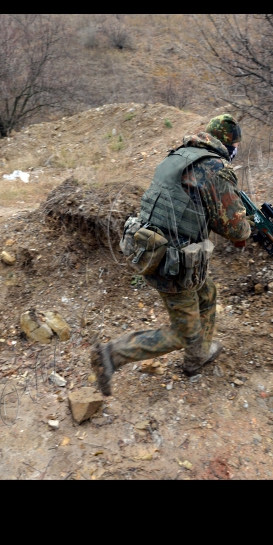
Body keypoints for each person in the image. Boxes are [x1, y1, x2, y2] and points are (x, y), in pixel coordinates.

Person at [91, 114, 252, 396]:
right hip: (173, 263)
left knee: (207, 292)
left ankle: (197, 356)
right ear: (229, 143)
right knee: (182, 332)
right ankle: (111, 355)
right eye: (236, 145)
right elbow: (236, 231)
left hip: (151, 247)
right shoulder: (215, 168)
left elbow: (187, 205)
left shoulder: (180, 155)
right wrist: (246, 224)